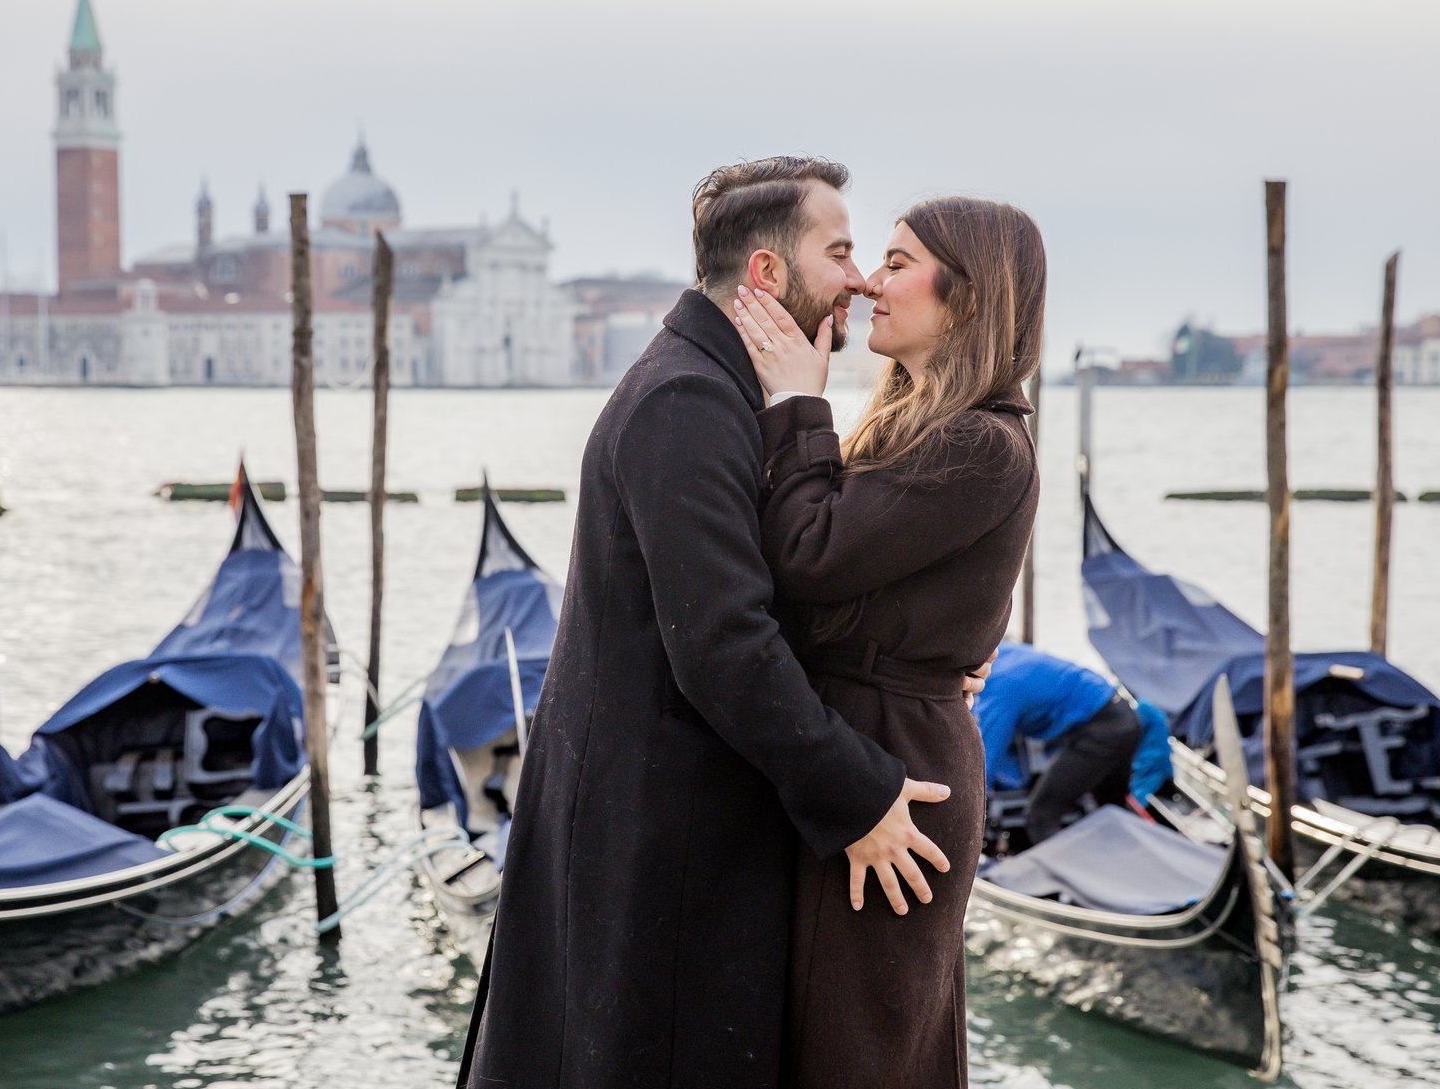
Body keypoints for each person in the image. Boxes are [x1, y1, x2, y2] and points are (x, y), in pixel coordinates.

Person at [458, 158, 985, 1088]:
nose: (859, 279)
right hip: (661, 842)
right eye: (840, 252)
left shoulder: (716, 387)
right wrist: (860, 794)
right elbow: (723, 642)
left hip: (682, 828)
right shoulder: (689, 402)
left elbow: (782, 584)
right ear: (768, 274)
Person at [733, 195, 1045, 1088]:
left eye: (899, 263)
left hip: (897, 774)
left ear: (969, 296)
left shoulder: (982, 443)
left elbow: (810, 553)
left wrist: (798, 402)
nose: (871, 281)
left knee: (859, 1053)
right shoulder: (930, 432)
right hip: (872, 747)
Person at [974, 642, 1146, 844]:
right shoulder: (999, 651)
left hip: (1102, 730)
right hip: (1122, 716)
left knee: (1040, 818)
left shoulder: (998, 688)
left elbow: (982, 767)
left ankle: (1068, 865)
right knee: (1112, 807)